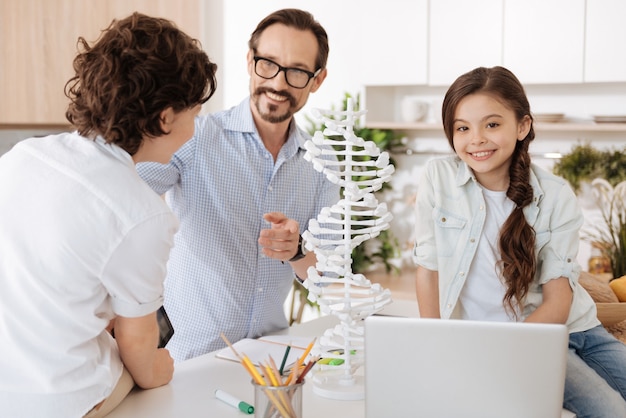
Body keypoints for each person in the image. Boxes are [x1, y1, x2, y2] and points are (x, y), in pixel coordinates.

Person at [0, 13, 217, 418]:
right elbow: (138, 348)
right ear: (165, 117)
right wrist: (158, 369)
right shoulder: (144, 214)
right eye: (195, 112)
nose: (196, 125)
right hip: (61, 398)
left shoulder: (23, 156)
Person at [413, 66, 626, 417]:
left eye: (492, 124)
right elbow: (428, 270)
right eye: (462, 128)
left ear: (522, 126)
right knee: (611, 411)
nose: (476, 139)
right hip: (522, 345)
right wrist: (437, 344)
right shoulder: (439, 178)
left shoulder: (555, 194)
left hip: (576, 325)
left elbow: (559, 302)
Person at [137, 8, 339, 361]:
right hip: (188, 359)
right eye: (268, 64)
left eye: (296, 72)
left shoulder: (321, 164)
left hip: (270, 359)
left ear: (316, 80)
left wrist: (297, 252)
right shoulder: (196, 136)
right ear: (250, 61)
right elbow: (126, 198)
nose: (277, 83)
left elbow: (330, 279)